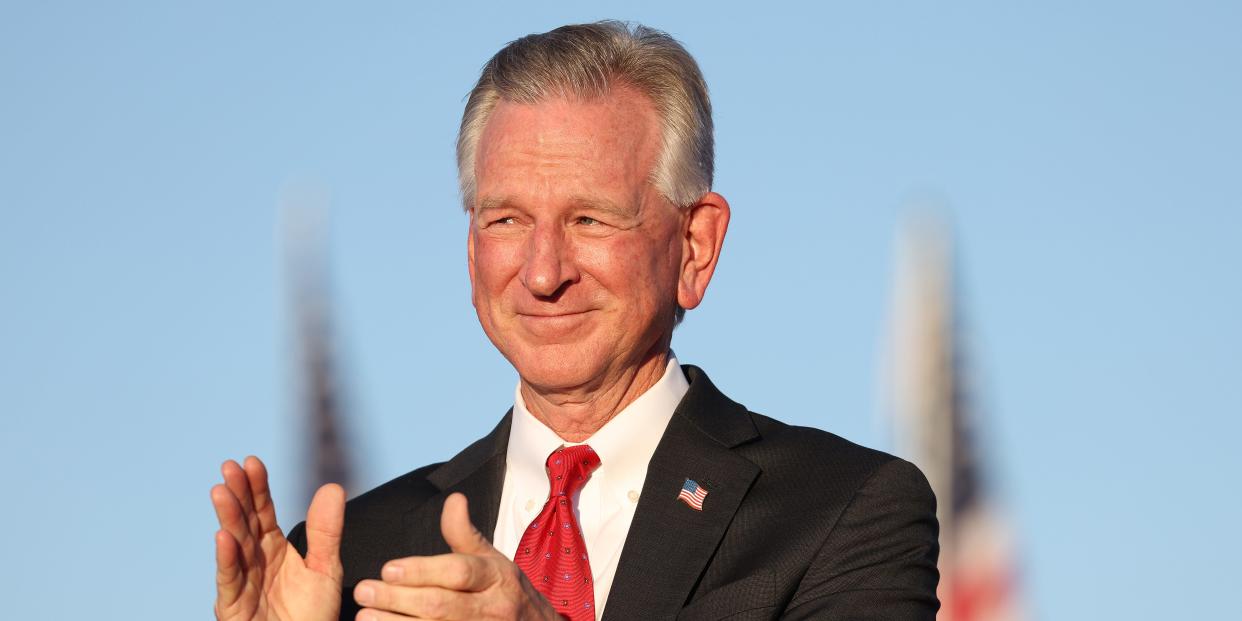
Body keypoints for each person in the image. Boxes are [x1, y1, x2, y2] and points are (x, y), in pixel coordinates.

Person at [210, 21, 939, 621]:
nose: (542, 271)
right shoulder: (348, 557)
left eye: (589, 218)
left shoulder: (843, 510)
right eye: (507, 219)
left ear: (695, 245)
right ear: (471, 248)